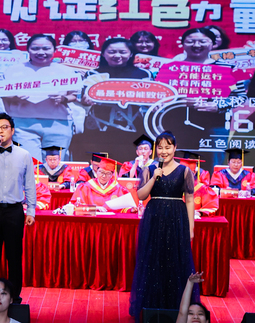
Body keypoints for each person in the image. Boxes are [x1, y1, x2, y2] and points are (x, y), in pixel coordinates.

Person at [129, 131, 199, 319]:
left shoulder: (185, 171)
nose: (164, 151)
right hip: (154, 219)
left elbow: (190, 200)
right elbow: (141, 195)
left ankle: (176, 308)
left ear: (175, 148)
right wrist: (154, 177)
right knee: (153, 262)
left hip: (177, 219)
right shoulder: (149, 170)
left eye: (168, 147)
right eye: (160, 147)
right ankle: (151, 308)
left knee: (176, 262)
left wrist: (190, 228)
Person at [0, 113, 36, 304]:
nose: (0, 131)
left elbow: (29, 184)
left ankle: (13, 297)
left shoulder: (24, 155)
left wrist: (31, 210)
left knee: (14, 255)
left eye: (4, 127)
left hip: (13, 211)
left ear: (12, 130)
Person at [2, 34, 82, 162]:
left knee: (53, 166)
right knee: (29, 163)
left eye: (46, 48)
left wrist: (63, 99)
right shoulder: (14, 70)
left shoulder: (66, 71)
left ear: (54, 50)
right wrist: (16, 97)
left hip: (58, 123)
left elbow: (75, 95)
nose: (40, 52)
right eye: (35, 48)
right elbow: (2, 93)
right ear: (27, 50)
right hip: (23, 123)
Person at [83, 38, 152, 162]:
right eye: (112, 52)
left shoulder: (143, 74)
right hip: (99, 128)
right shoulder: (92, 74)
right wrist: (86, 100)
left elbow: (151, 98)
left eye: (122, 52)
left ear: (131, 53)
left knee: (129, 163)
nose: (117, 55)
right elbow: (83, 98)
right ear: (103, 53)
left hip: (133, 128)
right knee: (100, 165)